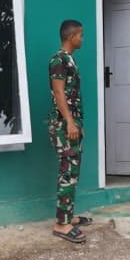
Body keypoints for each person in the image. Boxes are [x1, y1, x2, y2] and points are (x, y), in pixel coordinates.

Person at [49, 19, 91, 243]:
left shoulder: (69, 59)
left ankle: (68, 216)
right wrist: (70, 123)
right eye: (80, 35)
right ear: (70, 37)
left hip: (71, 123)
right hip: (64, 125)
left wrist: (76, 123)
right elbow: (58, 93)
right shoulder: (58, 60)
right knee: (67, 171)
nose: (82, 39)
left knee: (72, 171)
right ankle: (61, 224)